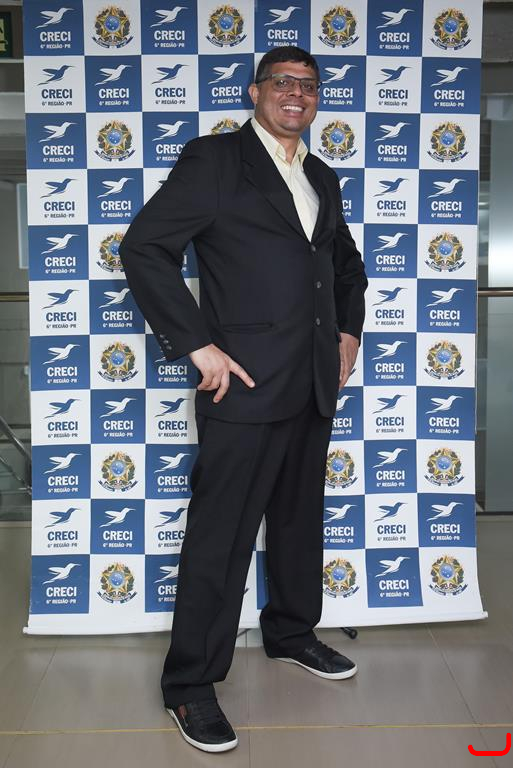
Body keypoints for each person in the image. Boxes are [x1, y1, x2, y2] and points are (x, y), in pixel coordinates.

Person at [119, 45, 368, 753]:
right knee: (221, 535)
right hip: (244, 381)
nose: (296, 93)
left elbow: (344, 264)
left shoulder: (320, 174)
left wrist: (348, 331)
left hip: (313, 379)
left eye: (308, 85)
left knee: (297, 520)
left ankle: (290, 632)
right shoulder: (215, 161)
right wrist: (196, 345)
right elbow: (144, 248)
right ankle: (190, 685)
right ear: (255, 92)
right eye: (282, 82)